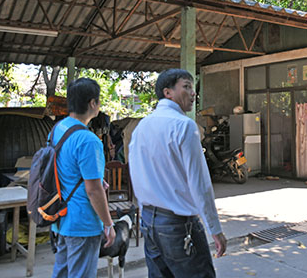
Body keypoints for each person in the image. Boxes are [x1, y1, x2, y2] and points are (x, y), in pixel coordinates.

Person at [129, 68, 227, 278]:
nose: (193, 93)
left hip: (149, 222)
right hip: (178, 225)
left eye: (193, 88)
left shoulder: (141, 127)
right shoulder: (184, 126)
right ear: (168, 92)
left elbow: (135, 174)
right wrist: (215, 229)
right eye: (187, 87)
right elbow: (200, 183)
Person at [51, 77, 116, 278]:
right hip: (83, 221)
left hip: (61, 216)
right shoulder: (89, 140)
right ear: (92, 103)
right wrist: (108, 223)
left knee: (62, 272)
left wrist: (95, 180)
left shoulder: (58, 129)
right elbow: (93, 190)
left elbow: (64, 168)